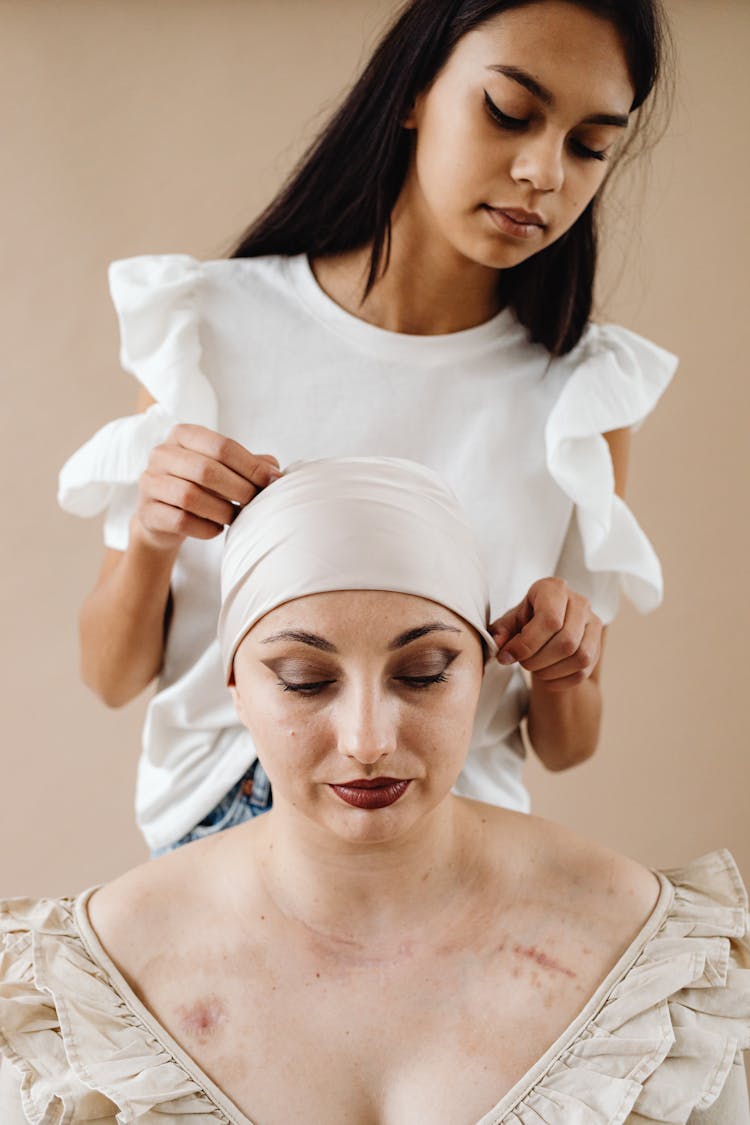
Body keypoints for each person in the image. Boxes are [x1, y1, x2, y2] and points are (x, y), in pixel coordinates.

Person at [58, 0, 678, 855]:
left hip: (462, 835)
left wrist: (566, 659)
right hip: (227, 825)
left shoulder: (583, 391)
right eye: (509, 113)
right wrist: (155, 532)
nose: (545, 172)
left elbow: (566, 744)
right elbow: (111, 676)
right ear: (414, 91)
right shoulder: (209, 324)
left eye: (590, 145)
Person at [2, 458, 748, 1124]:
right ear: (234, 685)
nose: (367, 740)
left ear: (483, 673)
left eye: (423, 672)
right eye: (305, 680)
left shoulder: (655, 964)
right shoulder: (85, 987)